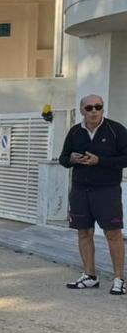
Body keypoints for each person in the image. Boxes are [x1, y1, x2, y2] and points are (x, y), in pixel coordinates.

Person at [58, 93, 127, 294]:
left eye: (98, 107)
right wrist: (71, 159)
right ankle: (89, 275)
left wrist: (101, 161)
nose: (94, 111)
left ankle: (119, 280)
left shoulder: (116, 130)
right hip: (80, 190)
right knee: (84, 232)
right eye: (89, 108)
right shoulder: (74, 132)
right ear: (82, 111)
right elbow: (62, 158)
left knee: (113, 234)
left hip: (107, 190)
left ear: (103, 109)